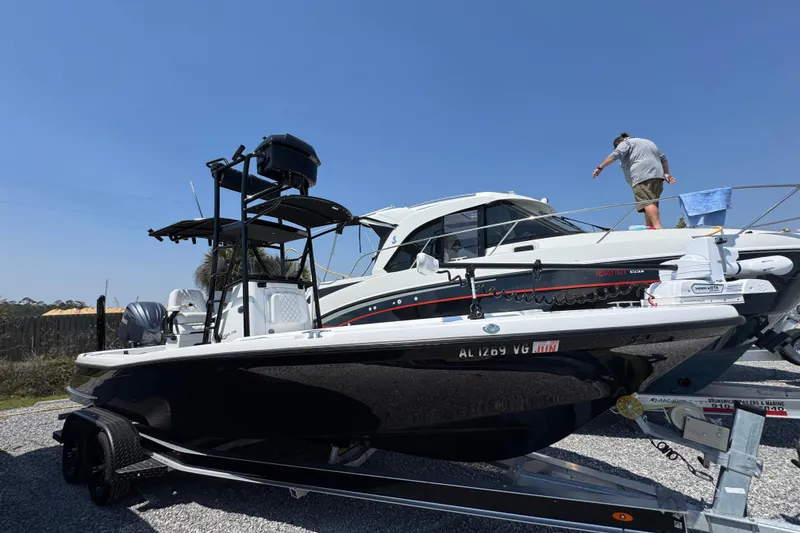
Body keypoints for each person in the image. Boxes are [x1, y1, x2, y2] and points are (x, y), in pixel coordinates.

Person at [592, 132, 676, 229]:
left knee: (646, 202)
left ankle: (658, 228)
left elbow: (616, 154)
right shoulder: (649, 142)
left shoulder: (626, 142)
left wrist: (600, 167)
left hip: (641, 176)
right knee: (651, 203)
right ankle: (650, 228)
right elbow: (663, 158)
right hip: (658, 176)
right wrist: (666, 173)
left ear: (618, 143)